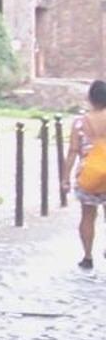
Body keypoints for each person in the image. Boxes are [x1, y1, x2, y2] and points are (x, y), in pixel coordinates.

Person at [61, 79, 106, 270]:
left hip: (88, 175)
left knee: (87, 216)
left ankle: (87, 256)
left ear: (90, 97)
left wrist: (64, 178)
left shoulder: (80, 122)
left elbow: (72, 151)